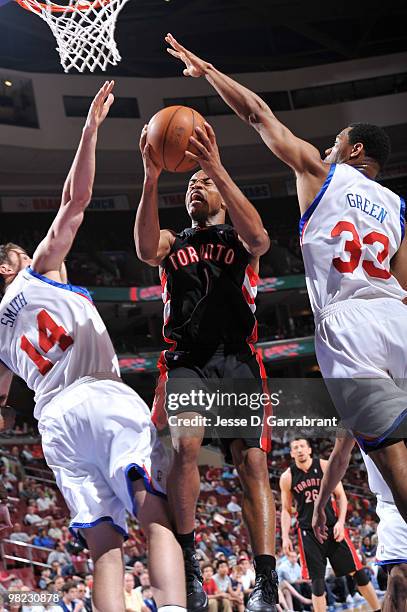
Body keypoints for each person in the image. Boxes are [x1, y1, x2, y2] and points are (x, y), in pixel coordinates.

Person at [165, 33, 407, 522]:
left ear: (353, 148)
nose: (325, 146)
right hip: (396, 317)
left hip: (349, 328)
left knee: (396, 465)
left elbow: (258, 114)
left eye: (334, 141)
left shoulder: (321, 172)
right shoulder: (399, 208)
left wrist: (208, 72)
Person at [0, 82, 185, 612]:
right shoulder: (37, 275)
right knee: (155, 516)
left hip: (53, 422)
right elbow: (75, 201)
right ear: (11, 267)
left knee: (105, 548)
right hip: (99, 396)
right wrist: (90, 130)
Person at [134, 115, 277, 611]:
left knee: (252, 461)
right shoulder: (174, 242)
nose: (195, 187)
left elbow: (260, 238)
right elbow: (143, 247)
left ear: (220, 193)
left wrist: (215, 166)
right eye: (190, 183)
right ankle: (192, 565)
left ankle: (266, 579)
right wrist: (152, 177)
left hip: (237, 357)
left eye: (204, 183)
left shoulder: (241, 241)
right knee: (187, 448)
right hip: (187, 360)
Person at [279, 439, 379, 611]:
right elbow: (287, 510)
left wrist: (341, 522)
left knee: (359, 574)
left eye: (302, 446)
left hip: (333, 528)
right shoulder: (287, 477)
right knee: (317, 585)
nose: (300, 450)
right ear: (291, 454)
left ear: (309, 449)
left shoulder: (325, 466)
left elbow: (341, 496)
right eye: (295, 448)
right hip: (308, 533)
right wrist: (285, 536)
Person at [312, 435, 407, 612]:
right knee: (399, 580)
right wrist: (320, 505)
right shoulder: (354, 411)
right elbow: (339, 457)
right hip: (392, 505)